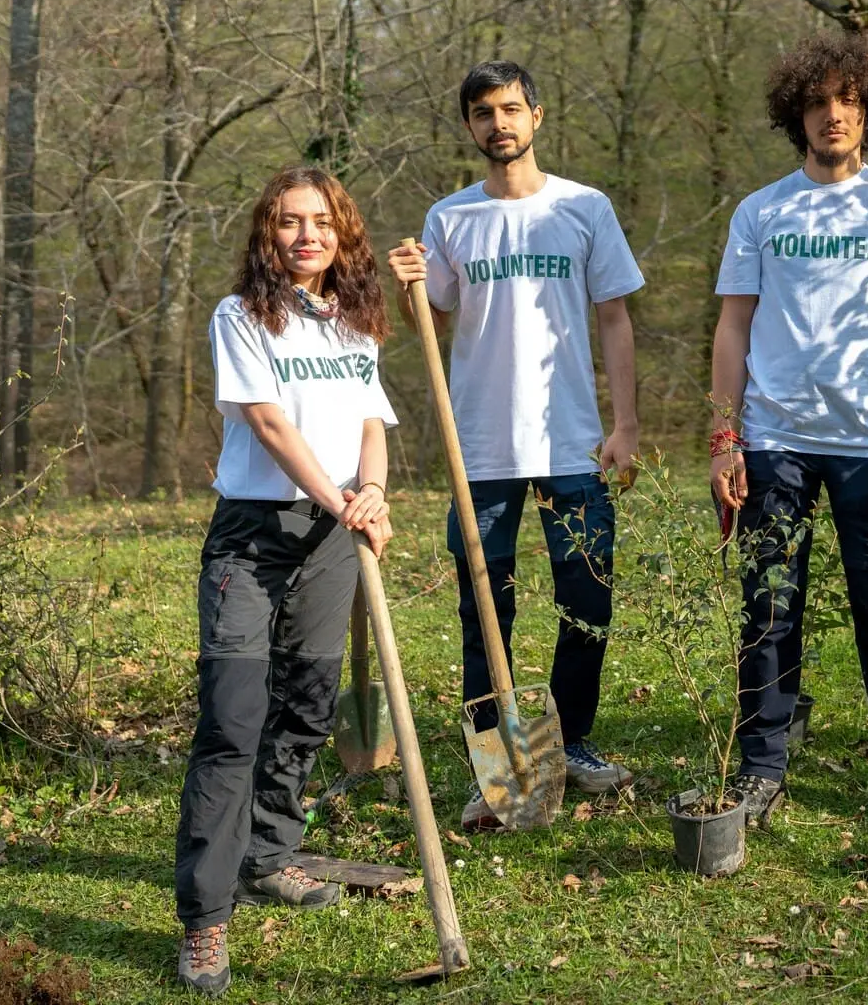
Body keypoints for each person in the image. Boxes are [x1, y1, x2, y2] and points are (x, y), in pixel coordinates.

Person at [387, 60, 644, 832]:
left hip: (572, 441)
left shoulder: (585, 208)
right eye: (481, 114)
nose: (497, 124)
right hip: (483, 449)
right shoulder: (450, 219)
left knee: (586, 597)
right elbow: (430, 327)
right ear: (469, 127)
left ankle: (571, 740)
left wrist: (625, 423)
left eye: (509, 109)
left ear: (536, 116)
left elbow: (615, 319)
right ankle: (498, 765)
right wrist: (409, 287)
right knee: (485, 608)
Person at [709, 33, 868, 832]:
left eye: (848, 100)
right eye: (817, 102)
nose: (832, 115)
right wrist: (725, 439)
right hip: (774, 440)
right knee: (769, 611)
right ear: (796, 115)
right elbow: (733, 328)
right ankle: (761, 769)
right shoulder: (762, 211)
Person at [175, 166, 397, 995]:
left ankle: (269, 855)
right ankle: (204, 918)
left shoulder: (355, 322)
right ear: (267, 235)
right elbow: (268, 424)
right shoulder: (241, 318)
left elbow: (372, 422)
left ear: (343, 236)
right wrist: (343, 496)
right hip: (253, 537)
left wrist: (371, 489)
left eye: (322, 222)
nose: (307, 235)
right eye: (289, 223)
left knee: (306, 707)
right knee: (233, 722)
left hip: (333, 537)